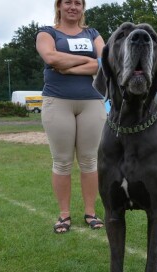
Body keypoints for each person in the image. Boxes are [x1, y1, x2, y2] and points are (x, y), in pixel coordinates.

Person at [36, 0, 106, 233]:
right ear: (59, 6)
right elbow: (51, 58)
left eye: (78, 3)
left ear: (83, 7)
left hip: (92, 103)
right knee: (62, 161)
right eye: (68, 2)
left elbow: (106, 62)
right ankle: (64, 215)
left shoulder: (93, 33)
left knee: (89, 160)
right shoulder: (47, 33)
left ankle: (90, 212)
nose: (73, 7)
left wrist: (69, 67)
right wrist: (88, 62)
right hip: (58, 102)